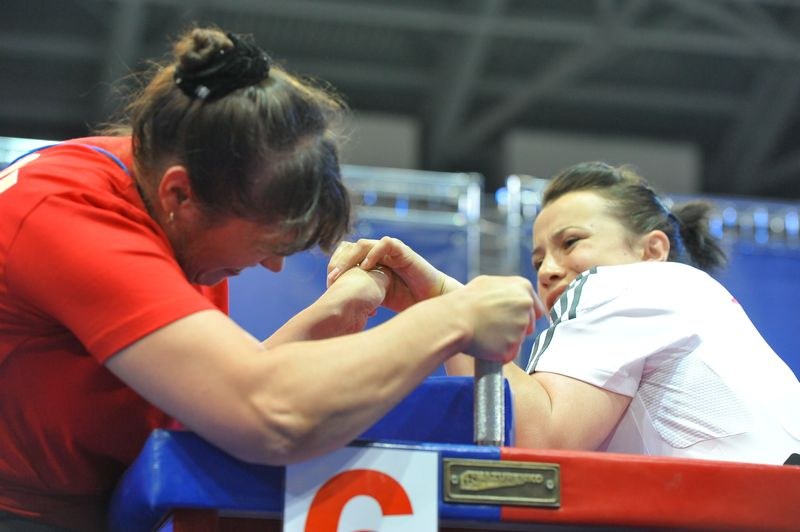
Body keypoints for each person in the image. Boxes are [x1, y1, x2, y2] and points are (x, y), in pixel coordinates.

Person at [0, 27, 536, 530]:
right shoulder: (68, 213)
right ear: (179, 196)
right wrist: (451, 317)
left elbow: (209, 403)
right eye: (267, 242)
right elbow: (268, 418)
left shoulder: (170, 193)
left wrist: (324, 320)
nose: (274, 265)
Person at [330, 161, 800, 466]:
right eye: (537, 262)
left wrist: (450, 308)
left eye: (571, 242)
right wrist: (447, 307)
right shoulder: (700, 302)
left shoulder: (621, 283)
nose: (550, 270)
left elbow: (534, 445)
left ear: (652, 249)